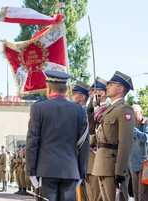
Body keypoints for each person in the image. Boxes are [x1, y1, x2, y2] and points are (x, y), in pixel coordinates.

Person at [26, 70, 90, 201]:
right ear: (66, 89)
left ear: (48, 88)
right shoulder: (80, 111)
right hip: (71, 171)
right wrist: (82, 172)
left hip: (46, 170)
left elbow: (32, 141)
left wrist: (31, 171)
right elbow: (84, 143)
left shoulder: (38, 108)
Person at [92, 71, 135, 201]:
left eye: (111, 84)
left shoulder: (124, 109)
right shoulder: (110, 109)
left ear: (120, 88)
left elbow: (125, 142)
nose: (107, 86)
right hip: (103, 163)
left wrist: (120, 170)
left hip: (113, 165)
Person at [84, 77, 108, 201]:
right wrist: (90, 109)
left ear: (101, 93)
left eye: (92, 92)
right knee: (90, 196)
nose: (89, 94)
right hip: (89, 160)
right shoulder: (92, 110)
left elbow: (97, 134)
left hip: (98, 158)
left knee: (97, 197)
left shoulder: (107, 110)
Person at [130, 104, 148, 201]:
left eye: (135, 113)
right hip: (133, 164)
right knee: (136, 195)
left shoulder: (146, 123)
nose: (133, 116)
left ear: (141, 113)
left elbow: (145, 138)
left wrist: (134, 130)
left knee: (143, 195)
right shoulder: (132, 125)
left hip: (144, 164)